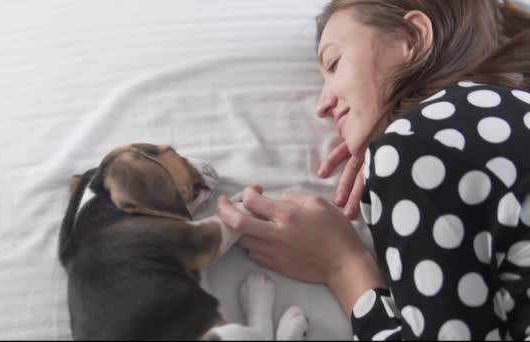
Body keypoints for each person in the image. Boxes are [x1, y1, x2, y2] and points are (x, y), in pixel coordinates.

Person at [216, 0, 530, 340]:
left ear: (411, 38)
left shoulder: (417, 145)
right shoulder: (507, 114)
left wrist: (342, 265)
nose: (323, 104)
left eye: (334, 64)